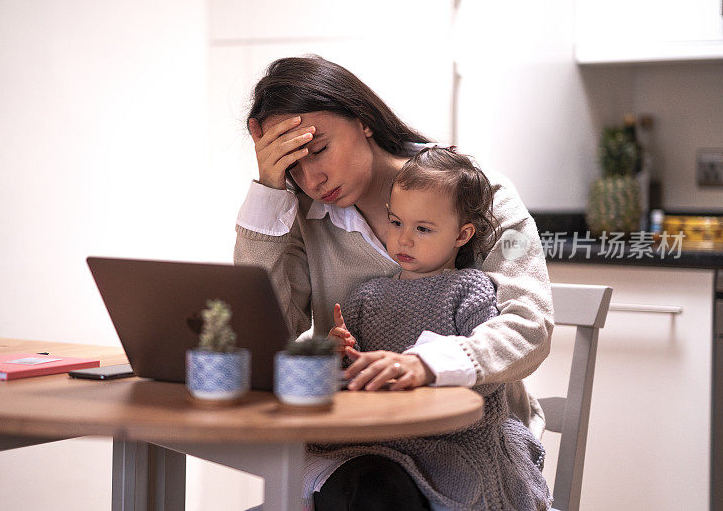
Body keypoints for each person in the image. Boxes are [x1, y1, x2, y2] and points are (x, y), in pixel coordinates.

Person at [234, 56, 553, 509]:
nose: (311, 179)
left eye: (318, 149)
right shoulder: (301, 217)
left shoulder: (480, 194)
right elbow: (263, 340)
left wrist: (427, 364)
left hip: (467, 440)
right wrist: (268, 191)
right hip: (353, 445)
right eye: (292, 168)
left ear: (362, 120)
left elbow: (530, 326)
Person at [310, 146, 550, 510]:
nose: (404, 239)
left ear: (461, 235)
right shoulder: (365, 298)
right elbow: (350, 381)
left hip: (456, 440)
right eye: (396, 223)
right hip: (379, 441)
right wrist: (334, 353)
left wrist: (425, 373)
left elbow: (486, 382)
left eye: (423, 229)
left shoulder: (470, 290)